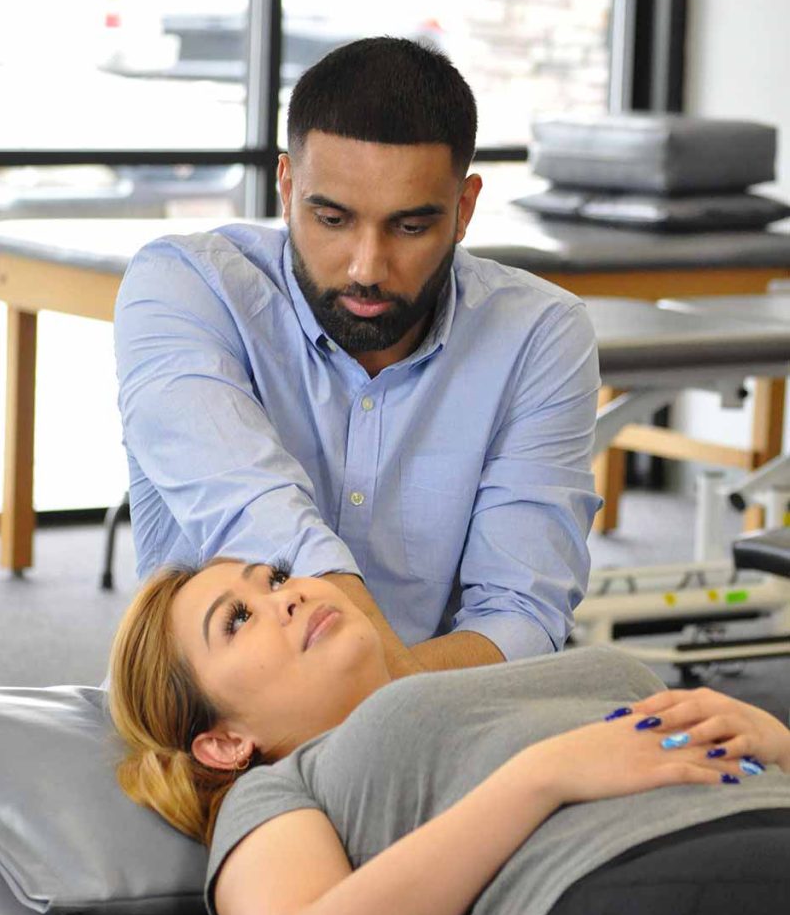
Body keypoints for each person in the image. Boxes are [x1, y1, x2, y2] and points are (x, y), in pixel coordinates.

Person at [113, 37, 602, 681]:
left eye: (409, 227)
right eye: (334, 219)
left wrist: (368, 706)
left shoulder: (540, 334)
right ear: (287, 186)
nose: (367, 268)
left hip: (430, 719)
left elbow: (520, 611)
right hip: (225, 733)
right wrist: (377, 683)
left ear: (464, 209)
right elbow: (253, 511)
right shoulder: (182, 287)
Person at [109, 557, 790, 915]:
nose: (287, 594)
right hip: (616, 885)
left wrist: (775, 740)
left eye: (277, 577)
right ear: (224, 742)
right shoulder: (280, 785)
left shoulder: (527, 672)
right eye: (237, 620)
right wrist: (541, 776)